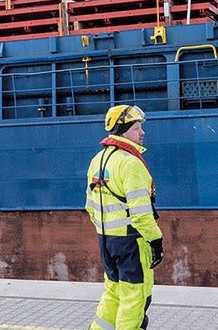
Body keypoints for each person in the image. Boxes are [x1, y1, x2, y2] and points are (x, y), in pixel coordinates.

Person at [86, 104, 163, 330]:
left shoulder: (97, 160)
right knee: (134, 298)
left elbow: (90, 206)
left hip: (106, 240)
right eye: (137, 128)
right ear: (124, 130)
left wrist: (108, 231)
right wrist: (156, 241)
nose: (142, 133)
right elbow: (140, 214)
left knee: (113, 294)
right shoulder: (131, 163)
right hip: (131, 243)